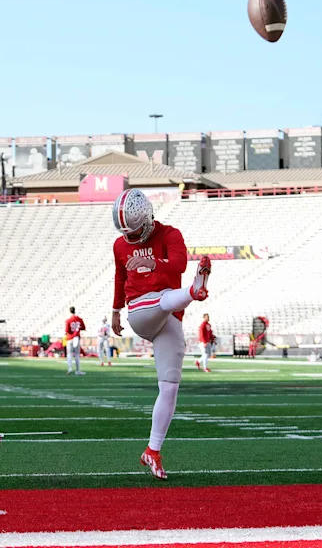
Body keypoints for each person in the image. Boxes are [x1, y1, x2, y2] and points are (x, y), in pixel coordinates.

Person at [110, 188, 211, 480]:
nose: (129, 237)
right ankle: (194, 291)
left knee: (169, 386)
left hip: (169, 315)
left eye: (134, 230)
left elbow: (179, 264)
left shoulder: (169, 235)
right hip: (141, 312)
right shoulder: (120, 245)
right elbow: (119, 276)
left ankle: (152, 450)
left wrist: (153, 262)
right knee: (167, 294)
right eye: (125, 232)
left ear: (149, 218)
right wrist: (116, 309)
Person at [64, 307, 86, 376]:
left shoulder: (68, 320)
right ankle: (78, 370)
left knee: (69, 354)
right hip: (76, 337)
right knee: (77, 355)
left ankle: (70, 368)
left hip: (70, 338)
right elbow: (83, 327)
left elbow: (67, 330)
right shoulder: (79, 319)